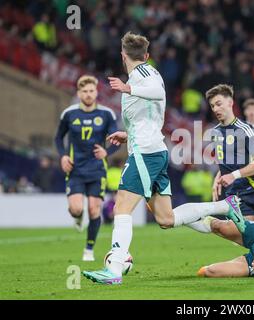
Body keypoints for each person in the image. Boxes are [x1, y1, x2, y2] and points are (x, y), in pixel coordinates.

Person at [82, 32, 243, 285]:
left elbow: (157, 92)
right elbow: (149, 114)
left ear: (123, 56)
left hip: (146, 153)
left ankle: (114, 268)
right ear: (146, 54)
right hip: (150, 148)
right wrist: (129, 134)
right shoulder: (141, 75)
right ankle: (225, 206)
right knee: (166, 219)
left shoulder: (145, 74)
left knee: (122, 206)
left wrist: (127, 88)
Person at [55, 75, 119, 261]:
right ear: (78, 93)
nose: (88, 94)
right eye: (85, 91)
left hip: (97, 170)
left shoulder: (106, 114)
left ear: (96, 92)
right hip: (75, 170)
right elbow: (58, 138)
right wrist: (63, 156)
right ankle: (77, 217)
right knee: (76, 209)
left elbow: (117, 139)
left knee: (94, 210)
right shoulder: (69, 114)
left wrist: (107, 152)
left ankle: (89, 250)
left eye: (91, 91)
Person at [207, 85, 254, 223]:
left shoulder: (245, 129)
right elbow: (228, 162)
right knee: (249, 238)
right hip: (235, 193)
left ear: (230, 103)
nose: (215, 109)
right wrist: (218, 177)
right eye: (212, 106)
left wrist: (233, 175)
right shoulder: (215, 132)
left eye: (218, 104)